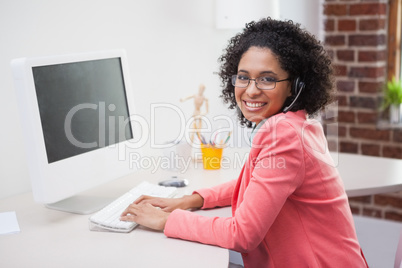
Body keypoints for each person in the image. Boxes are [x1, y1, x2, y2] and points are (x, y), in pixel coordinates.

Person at [121, 18, 368, 267]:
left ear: (294, 86)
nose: (250, 91)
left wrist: (167, 220)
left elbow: (243, 234)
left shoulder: (285, 135)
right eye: (243, 77)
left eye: (267, 79)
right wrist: (190, 200)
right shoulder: (296, 124)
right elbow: (256, 182)